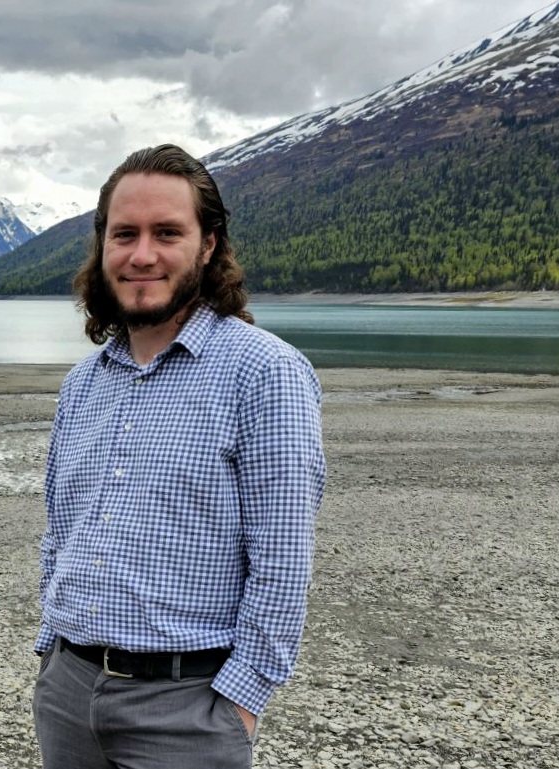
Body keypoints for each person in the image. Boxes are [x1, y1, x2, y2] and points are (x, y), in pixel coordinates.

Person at [32, 144, 327, 769]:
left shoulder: (265, 372)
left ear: (209, 244)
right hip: (67, 692)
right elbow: (61, 531)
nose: (142, 255)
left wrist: (240, 702)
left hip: (188, 708)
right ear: (102, 246)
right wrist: (49, 649)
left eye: (167, 233)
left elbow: (282, 557)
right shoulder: (82, 383)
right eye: (125, 234)